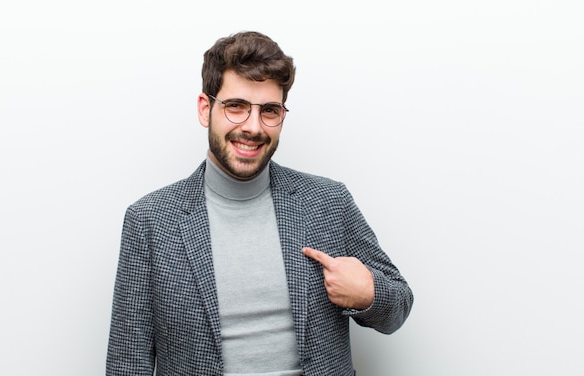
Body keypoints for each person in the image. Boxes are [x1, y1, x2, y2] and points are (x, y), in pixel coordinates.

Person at [106, 30, 413, 376]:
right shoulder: (149, 221)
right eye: (236, 106)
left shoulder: (328, 203)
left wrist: (369, 293)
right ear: (205, 109)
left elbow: (399, 306)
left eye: (269, 110)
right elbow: (126, 363)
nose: (253, 127)